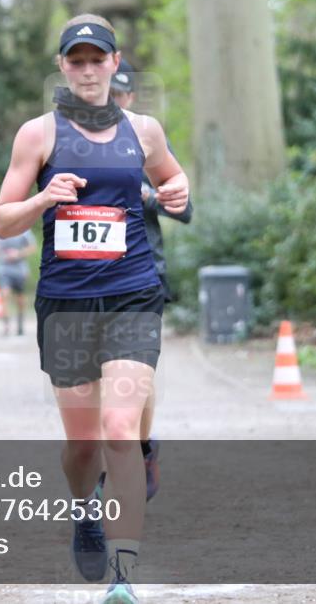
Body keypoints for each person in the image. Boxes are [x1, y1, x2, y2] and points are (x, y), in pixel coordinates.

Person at [0, 14, 190, 604]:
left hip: (133, 295)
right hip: (67, 304)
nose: (86, 69)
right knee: (83, 446)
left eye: (96, 59)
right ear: (62, 66)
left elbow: (174, 181)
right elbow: (3, 218)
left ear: (114, 61)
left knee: (120, 429)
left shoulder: (144, 129)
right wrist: (43, 197)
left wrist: (178, 193)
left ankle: (123, 574)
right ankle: (84, 508)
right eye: (75, 60)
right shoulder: (38, 134)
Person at [108, 59, 194, 502]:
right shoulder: (74, 143)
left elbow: (185, 209)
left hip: (145, 270)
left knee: (135, 374)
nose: (115, 100)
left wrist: (151, 196)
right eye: (110, 93)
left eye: (121, 94)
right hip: (90, 277)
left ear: (131, 97)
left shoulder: (147, 139)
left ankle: (138, 449)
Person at [0, 230, 36, 336]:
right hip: (4, 269)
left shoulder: (24, 231)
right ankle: (6, 326)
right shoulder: (1, 229)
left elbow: (32, 247)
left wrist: (18, 254)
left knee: (20, 299)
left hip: (19, 270)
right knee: (5, 294)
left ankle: (20, 324)